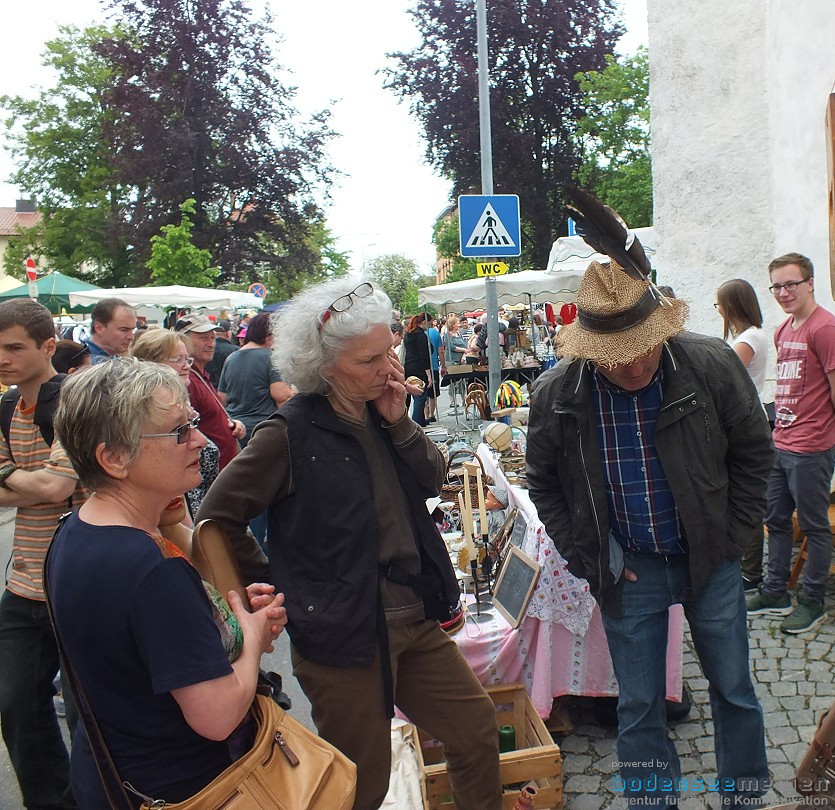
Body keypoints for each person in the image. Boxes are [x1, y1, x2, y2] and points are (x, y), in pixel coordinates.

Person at [196, 278, 502, 810]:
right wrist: (274, 587)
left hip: (414, 614)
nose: (388, 369)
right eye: (368, 361)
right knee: (362, 783)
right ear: (325, 366)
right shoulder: (287, 434)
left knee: (475, 729)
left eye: (388, 350)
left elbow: (435, 481)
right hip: (344, 631)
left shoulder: (382, 409)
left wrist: (401, 424)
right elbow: (217, 518)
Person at [526, 258, 774, 808]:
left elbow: (756, 451)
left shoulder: (709, 363)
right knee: (638, 706)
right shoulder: (558, 394)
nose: (635, 365)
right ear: (591, 351)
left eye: (645, 347)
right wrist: (590, 558)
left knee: (733, 690)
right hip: (627, 566)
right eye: (617, 357)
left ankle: (745, 798)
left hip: (711, 557)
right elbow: (544, 485)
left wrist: (732, 539)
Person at [47, 359, 286, 807]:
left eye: (193, 422)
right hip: (183, 789)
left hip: (115, 777)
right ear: (114, 458)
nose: (199, 439)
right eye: (178, 431)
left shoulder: (75, 530)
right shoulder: (151, 567)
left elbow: (133, 653)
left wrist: (220, 619)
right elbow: (216, 717)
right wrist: (250, 638)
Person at [0, 299, 88, 810]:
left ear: (48, 346)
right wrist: (28, 483)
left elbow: (57, 487)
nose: (4, 358)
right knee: (16, 707)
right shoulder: (7, 406)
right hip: (24, 582)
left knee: (87, 714)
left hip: (75, 579)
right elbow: (48, 484)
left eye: (15, 347)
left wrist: (12, 480)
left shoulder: (73, 400)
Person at [747, 252, 835, 635]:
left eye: (791, 284)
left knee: (814, 526)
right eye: (776, 286)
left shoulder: (824, 329)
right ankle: (775, 591)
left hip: (812, 447)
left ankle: (811, 601)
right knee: (775, 520)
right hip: (782, 441)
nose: (784, 292)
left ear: (810, 283)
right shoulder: (784, 330)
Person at [714, 279, 770, 591]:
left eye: (719, 303)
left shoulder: (748, 339)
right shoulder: (752, 336)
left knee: (743, 500)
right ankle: (747, 568)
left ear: (732, 305)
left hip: (741, 424)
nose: (719, 309)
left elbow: (723, 377)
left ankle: (749, 573)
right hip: (746, 419)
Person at [131, 330, 222, 516]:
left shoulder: (184, 397)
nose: (186, 366)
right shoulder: (147, 409)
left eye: (187, 359)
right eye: (177, 359)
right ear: (151, 363)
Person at [176, 313, 245, 468]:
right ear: (182, 340)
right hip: (206, 475)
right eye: (203, 338)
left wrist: (231, 424)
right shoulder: (187, 381)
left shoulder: (199, 375)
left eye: (212, 338)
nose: (211, 344)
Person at [220, 313, 293, 441]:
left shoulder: (231, 358)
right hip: (263, 429)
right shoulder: (271, 357)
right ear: (269, 335)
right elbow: (281, 395)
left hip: (235, 428)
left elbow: (222, 397)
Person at [84, 297, 136, 363]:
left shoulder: (113, 358)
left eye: (132, 330)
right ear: (99, 328)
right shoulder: (85, 364)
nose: (131, 337)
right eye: (124, 330)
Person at [403, 313, 433, 426]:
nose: (429, 326)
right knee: (420, 397)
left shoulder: (408, 334)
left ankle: (418, 421)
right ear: (424, 322)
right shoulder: (421, 336)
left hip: (408, 366)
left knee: (409, 397)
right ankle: (417, 423)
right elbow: (424, 356)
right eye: (429, 323)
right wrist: (429, 376)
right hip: (419, 368)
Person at [204, 318, 240, 387]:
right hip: (227, 389)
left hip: (209, 387)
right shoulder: (235, 351)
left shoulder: (206, 349)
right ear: (228, 333)